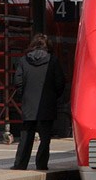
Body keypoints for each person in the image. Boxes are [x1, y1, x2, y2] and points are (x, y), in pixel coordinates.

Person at [12, 33, 66, 171]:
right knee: (45, 138)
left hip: (29, 104)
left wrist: (24, 96)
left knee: (26, 136)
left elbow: (18, 82)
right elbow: (60, 82)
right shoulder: (52, 61)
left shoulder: (23, 61)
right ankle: (41, 164)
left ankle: (20, 164)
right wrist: (54, 97)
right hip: (47, 104)